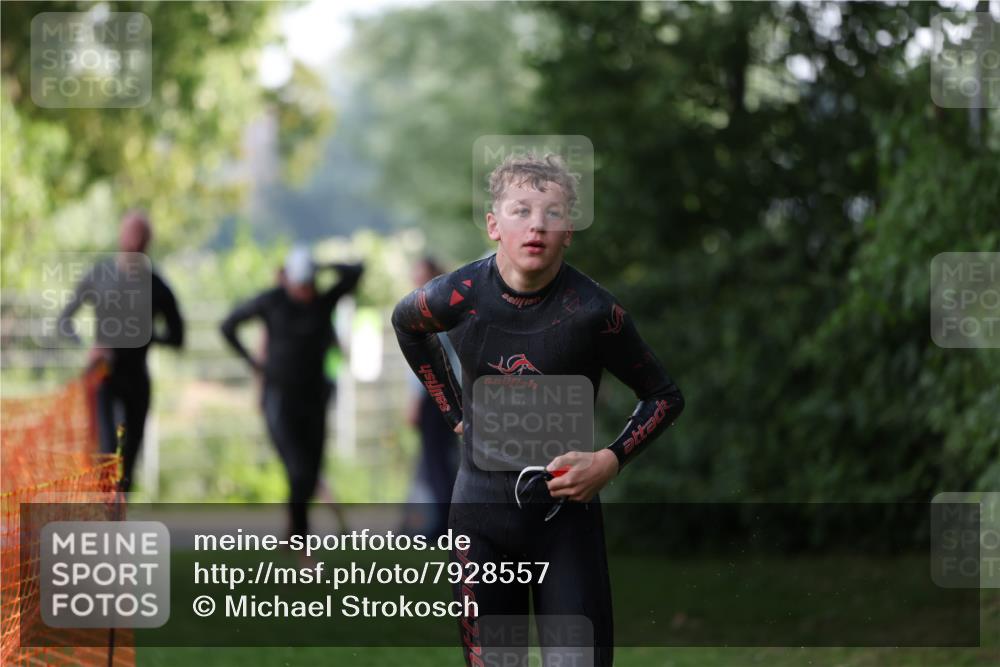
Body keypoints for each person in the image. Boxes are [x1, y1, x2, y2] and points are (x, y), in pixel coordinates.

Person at [392, 154, 684, 666]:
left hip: (565, 525)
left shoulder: (596, 313)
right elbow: (406, 324)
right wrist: (454, 413)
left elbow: (663, 396)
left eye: (551, 214)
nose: (536, 225)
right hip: (479, 521)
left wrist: (610, 460)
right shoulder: (459, 295)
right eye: (520, 211)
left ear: (568, 230)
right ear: (493, 225)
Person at [220, 247, 363, 539]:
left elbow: (357, 271)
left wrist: (321, 264)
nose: (306, 292)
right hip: (280, 400)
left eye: (310, 284)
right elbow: (228, 326)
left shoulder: (324, 303)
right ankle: (301, 542)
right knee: (298, 472)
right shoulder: (272, 301)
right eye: (301, 285)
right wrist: (252, 362)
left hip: (315, 401)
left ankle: (291, 532)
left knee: (309, 476)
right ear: (288, 281)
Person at [58, 209, 185, 492]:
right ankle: (105, 520)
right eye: (130, 236)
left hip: (137, 380)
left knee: (128, 458)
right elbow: (64, 321)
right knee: (106, 451)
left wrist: (147, 336)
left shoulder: (158, 287)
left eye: (140, 238)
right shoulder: (99, 276)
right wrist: (87, 347)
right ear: (121, 237)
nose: (134, 243)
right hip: (102, 376)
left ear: (148, 243)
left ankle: (117, 522)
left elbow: (177, 337)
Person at [401, 257, 460, 538]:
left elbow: (424, 366)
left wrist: (415, 402)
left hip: (433, 397)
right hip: (449, 396)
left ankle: (443, 525)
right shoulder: (449, 311)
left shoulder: (428, 314)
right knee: (439, 460)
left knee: (436, 461)